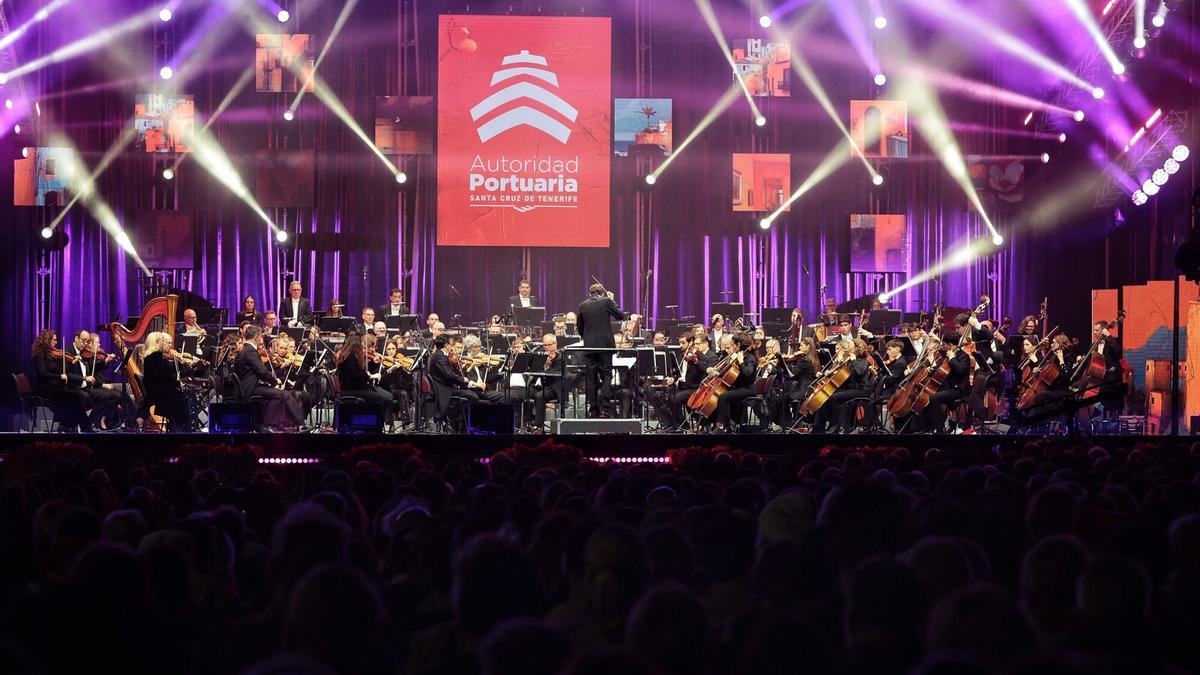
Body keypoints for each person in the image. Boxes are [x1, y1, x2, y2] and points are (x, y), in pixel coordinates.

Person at [234, 326, 304, 431]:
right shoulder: (250, 351)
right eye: (261, 336)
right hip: (250, 388)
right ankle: (298, 424)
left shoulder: (245, 350)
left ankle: (275, 424)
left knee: (278, 394)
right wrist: (274, 382)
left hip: (248, 386)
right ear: (257, 337)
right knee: (284, 394)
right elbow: (262, 371)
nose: (261, 339)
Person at [577, 283, 627, 417]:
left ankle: (593, 409)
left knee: (591, 378)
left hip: (590, 346)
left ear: (589, 293)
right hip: (605, 345)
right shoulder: (606, 301)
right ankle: (605, 404)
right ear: (602, 293)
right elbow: (621, 316)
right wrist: (612, 300)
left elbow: (580, 327)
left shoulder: (583, 305)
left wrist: (587, 338)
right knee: (606, 374)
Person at [29, 329, 91, 431]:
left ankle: (68, 425)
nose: (56, 342)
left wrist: (71, 362)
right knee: (74, 395)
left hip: (54, 386)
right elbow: (42, 374)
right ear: (47, 340)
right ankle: (82, 426)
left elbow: (58, 369)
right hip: (44, 388)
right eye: (54, 340)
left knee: (74, 395)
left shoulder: (51, 354)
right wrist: (60, 377)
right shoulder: (40, 354)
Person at [63, 329, 123, 431]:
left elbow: (92, 370)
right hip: (74, 388)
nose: (85, 344)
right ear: (76, 338)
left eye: (87, 341)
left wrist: (105, 361)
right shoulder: (68, 352)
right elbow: (68, 374)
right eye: (84, 340)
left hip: (85, 388)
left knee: (115, 396)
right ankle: (87, 425)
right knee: (99, 396)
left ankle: (90, 422)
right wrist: (85, 378)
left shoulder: (84, 354)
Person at [811, 339, 871, 433]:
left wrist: (853, 361)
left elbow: (858, 372)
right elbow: (844, 377)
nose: (850, 350)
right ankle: (818, 427)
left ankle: (835, 425)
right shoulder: (849, 361)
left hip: (860, 389)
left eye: (851, 348)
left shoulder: (863, 361)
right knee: (825, 396)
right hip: (850, 388)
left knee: (834, 397)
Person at [141, 331, 194, 431]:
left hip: (160, 392)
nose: (163, 343)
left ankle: (179, 427)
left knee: (184, 393)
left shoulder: (155, 357)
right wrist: (179, 380)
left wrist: (181, 370)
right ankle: (184, 428)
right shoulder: (155, 357)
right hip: (159, 395)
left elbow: (167, 375)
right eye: (161, 341)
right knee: (184, 396)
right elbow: (166, 377)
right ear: (156, 342)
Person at [427, 336, 484, 429]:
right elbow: (448, 374)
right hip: (444, 389)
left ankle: (461, 424)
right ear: (446, 345)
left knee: (469, 396)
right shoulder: (440, 356)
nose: (452, 347)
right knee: (473, 396)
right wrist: (463, 379)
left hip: (447, 386)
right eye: (451, 344)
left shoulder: (441, 355)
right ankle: (468, 425)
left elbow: (450, 373)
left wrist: (461, 372)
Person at [335, 334, 394, 413]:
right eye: (361, 347)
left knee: (383, 397)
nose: (363, 350)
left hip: (354, 388)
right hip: (351, 390)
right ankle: (374, 422)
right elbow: (355, 375)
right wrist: (369, 375)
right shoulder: (349, 359)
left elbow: (358, 373)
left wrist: (372, 367)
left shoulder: (348, 357)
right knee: (381, 399)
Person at [713, 332, 758, 432]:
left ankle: (722, 426)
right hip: (738, 388)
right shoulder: (738, 355)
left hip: (748, 390)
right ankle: (727, 425)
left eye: (734, 344)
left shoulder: (751, 358)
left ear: (738, 345)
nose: (733, 346)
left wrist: (741, 362)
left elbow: (748, 374)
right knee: (720, 395)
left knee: (723, 397)